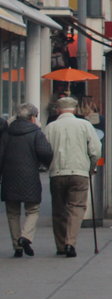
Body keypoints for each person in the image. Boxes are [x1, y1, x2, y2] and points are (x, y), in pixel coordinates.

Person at [43, 97, 102, 257]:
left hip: (57, 172)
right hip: (80, 172)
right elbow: (96, 149)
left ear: (57, 110)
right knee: (76, 208)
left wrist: (49, 165)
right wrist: (91, 166)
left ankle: (61, 245)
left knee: (59, 209)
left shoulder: (50, 127)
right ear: (75, 110)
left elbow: (44, 151)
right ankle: (70, 242)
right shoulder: (85, 125)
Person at [0, 104, 53, 257]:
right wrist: (46, 164)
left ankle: (17, 246)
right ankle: (26, 236)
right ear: (32, 117)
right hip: (30, 175)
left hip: (9, 177)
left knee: (12, 213)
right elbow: (45, 152)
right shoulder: (36, 133)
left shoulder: (6, 133)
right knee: (33, 210)